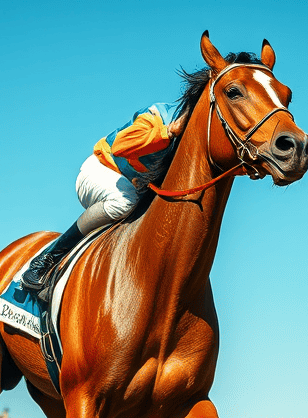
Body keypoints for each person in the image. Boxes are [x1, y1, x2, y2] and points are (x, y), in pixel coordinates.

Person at [20, 101, 190, 291]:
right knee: (125, 201)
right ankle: (46, 260)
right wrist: (168, 132)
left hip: (128, 186)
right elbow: (120, 145)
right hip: (98, 170)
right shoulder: (160, 116)